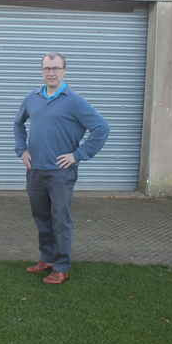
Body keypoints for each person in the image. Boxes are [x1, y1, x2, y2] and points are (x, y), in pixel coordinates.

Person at [13, 52, 109, 284]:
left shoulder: (74, 101)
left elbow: (101, 128)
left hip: (60, 173)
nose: (51, 72)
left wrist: (79, 155)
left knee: (60, 219)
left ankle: (62, 267)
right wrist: (21, 150)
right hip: (35, 171)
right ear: (42, 71)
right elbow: (18, 124)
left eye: (56, 68)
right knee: (41, 216)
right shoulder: (32, 98)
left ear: (64, 71)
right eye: (47, 68)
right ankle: (46, 258)